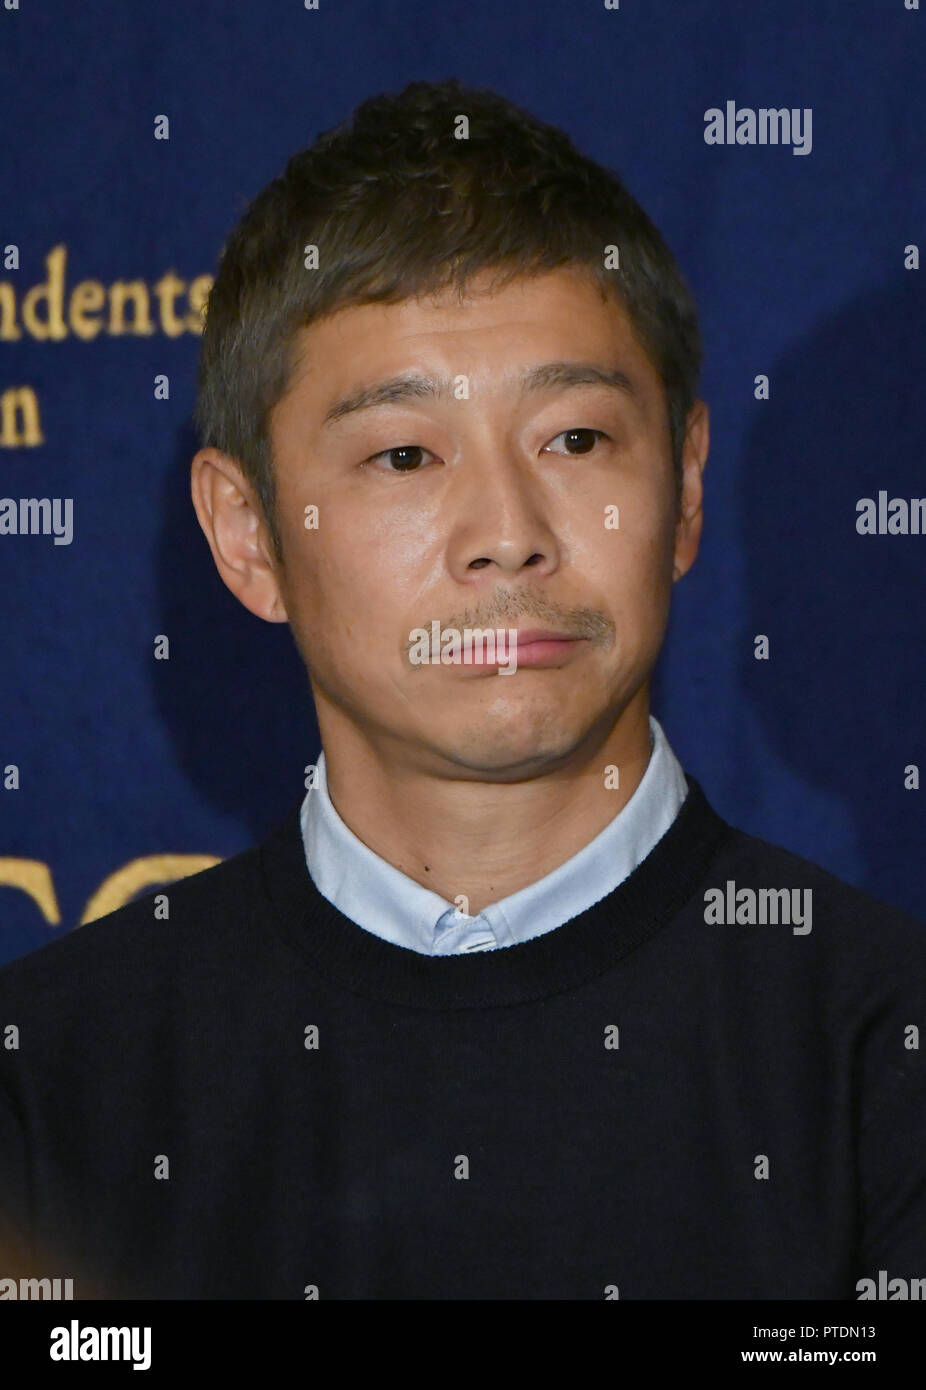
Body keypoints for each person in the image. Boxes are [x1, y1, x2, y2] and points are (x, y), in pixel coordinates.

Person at [1, 77, 924, 1301]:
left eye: (574, 440)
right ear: (248, 534)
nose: (506, 533)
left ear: (686, 487)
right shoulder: (51, 1074)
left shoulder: (886, 1045)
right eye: (401, 455)